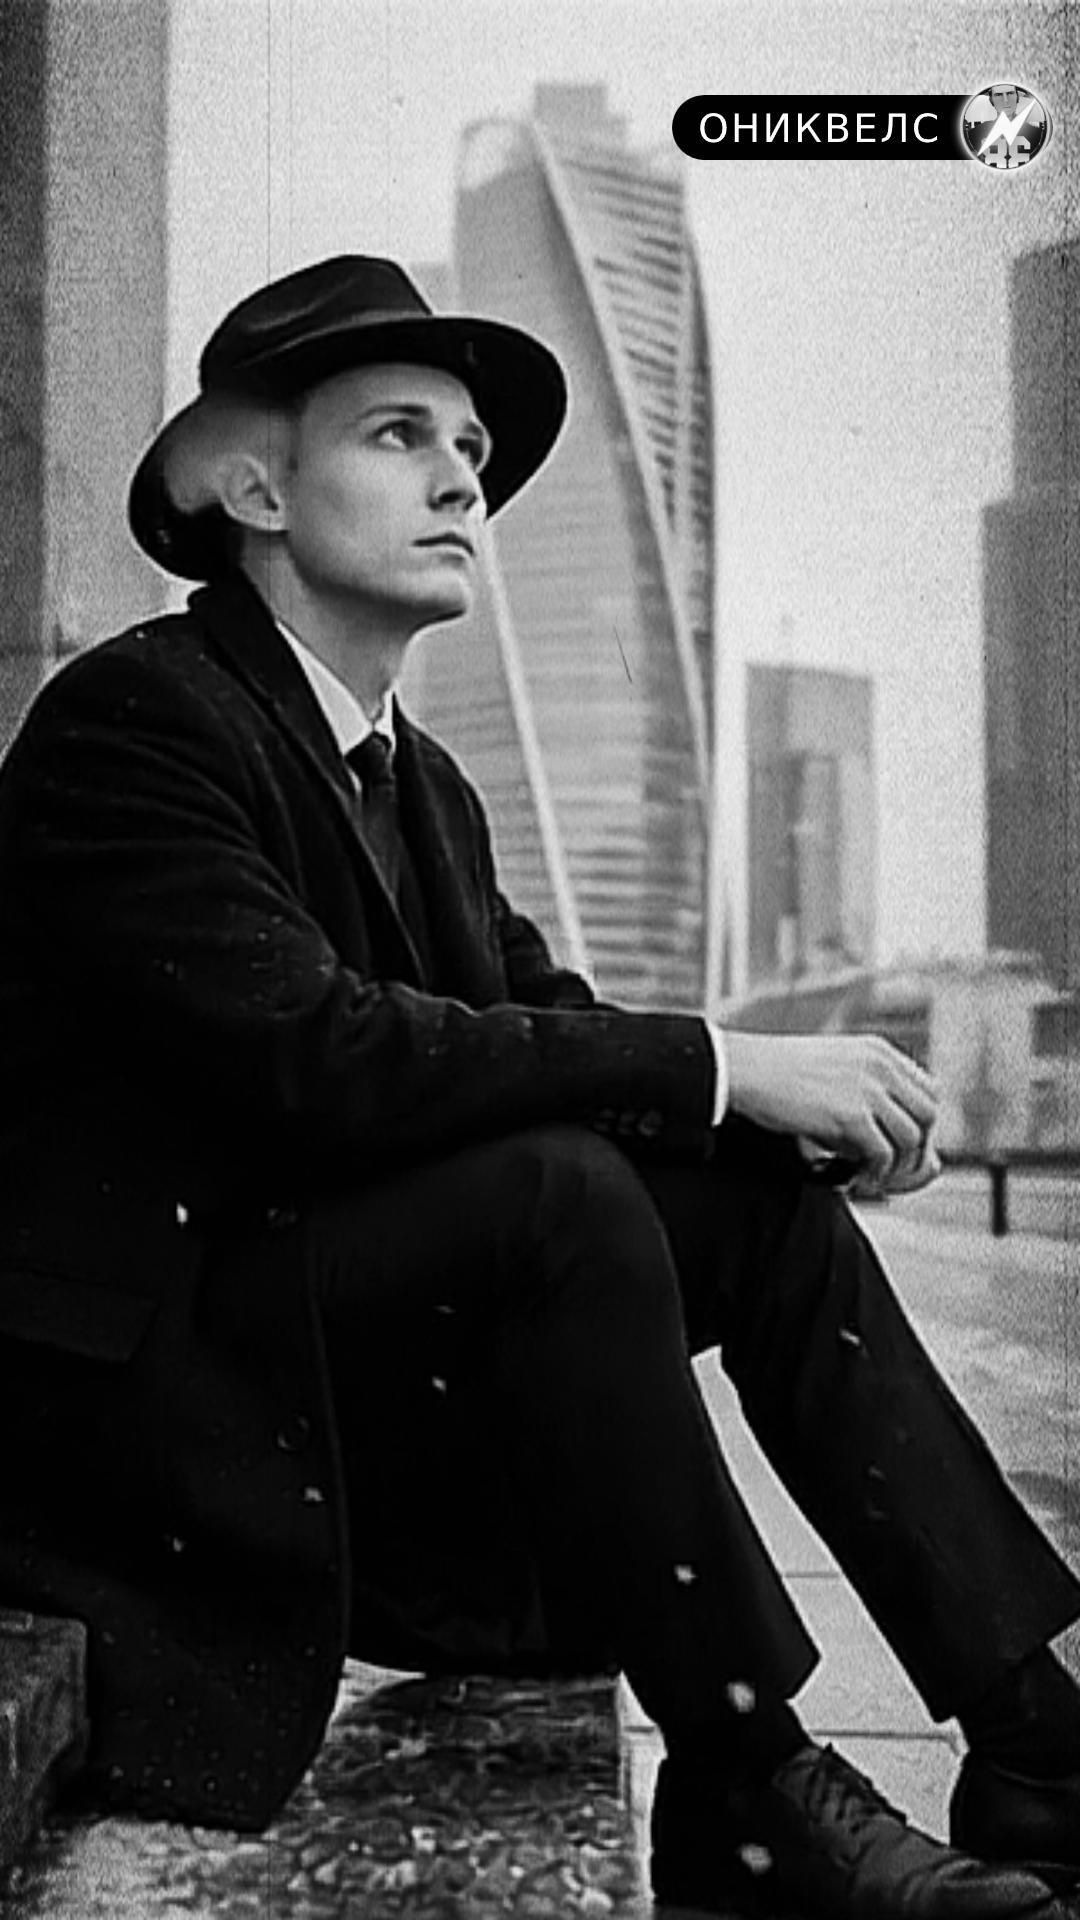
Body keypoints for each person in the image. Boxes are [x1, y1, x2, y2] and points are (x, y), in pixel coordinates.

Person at [0, 254, 1077, 1918]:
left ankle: (1034, 1737)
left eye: (474, 453)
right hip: (168, 1407)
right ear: (256, 490)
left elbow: (540, 1025)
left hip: (331, 1355)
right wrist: (722, 1058)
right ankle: (748, 1779)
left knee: (750, 1204)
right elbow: (320, 1059)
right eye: (400, 435)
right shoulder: (136, 718)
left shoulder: (423, 784)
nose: (461, 482)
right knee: (555, 1195)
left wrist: (764, 1110)